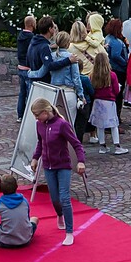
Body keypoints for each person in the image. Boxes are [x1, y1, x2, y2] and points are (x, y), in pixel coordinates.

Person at [29, 95, 85, 247]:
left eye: (37, 114)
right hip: (48, 166)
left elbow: (76, 144)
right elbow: (41, 142)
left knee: (65, 198)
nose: (36, 118)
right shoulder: (39, 124)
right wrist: (35, 158)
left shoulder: (62, 125)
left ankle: (69, 231)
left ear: (46, 111)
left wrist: (80, 161)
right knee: (54, 198)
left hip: (63, 166)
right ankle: (59, 215)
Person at [0, 172, 35, 248]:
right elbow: (27, 219)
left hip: (5, 240)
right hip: (25, 238)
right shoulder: (24, 200)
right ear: (17, 186)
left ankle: (7, 237)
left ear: (0, 189)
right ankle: (22, 235)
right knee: (34, 219)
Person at [16, 14, 42, 121]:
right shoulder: (31, 38)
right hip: (28, 68)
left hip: (20, 67)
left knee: (22, 93)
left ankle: (20, 115)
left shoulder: (20, 36)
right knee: (30, 93)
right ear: (32, 24)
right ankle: (29, 116)